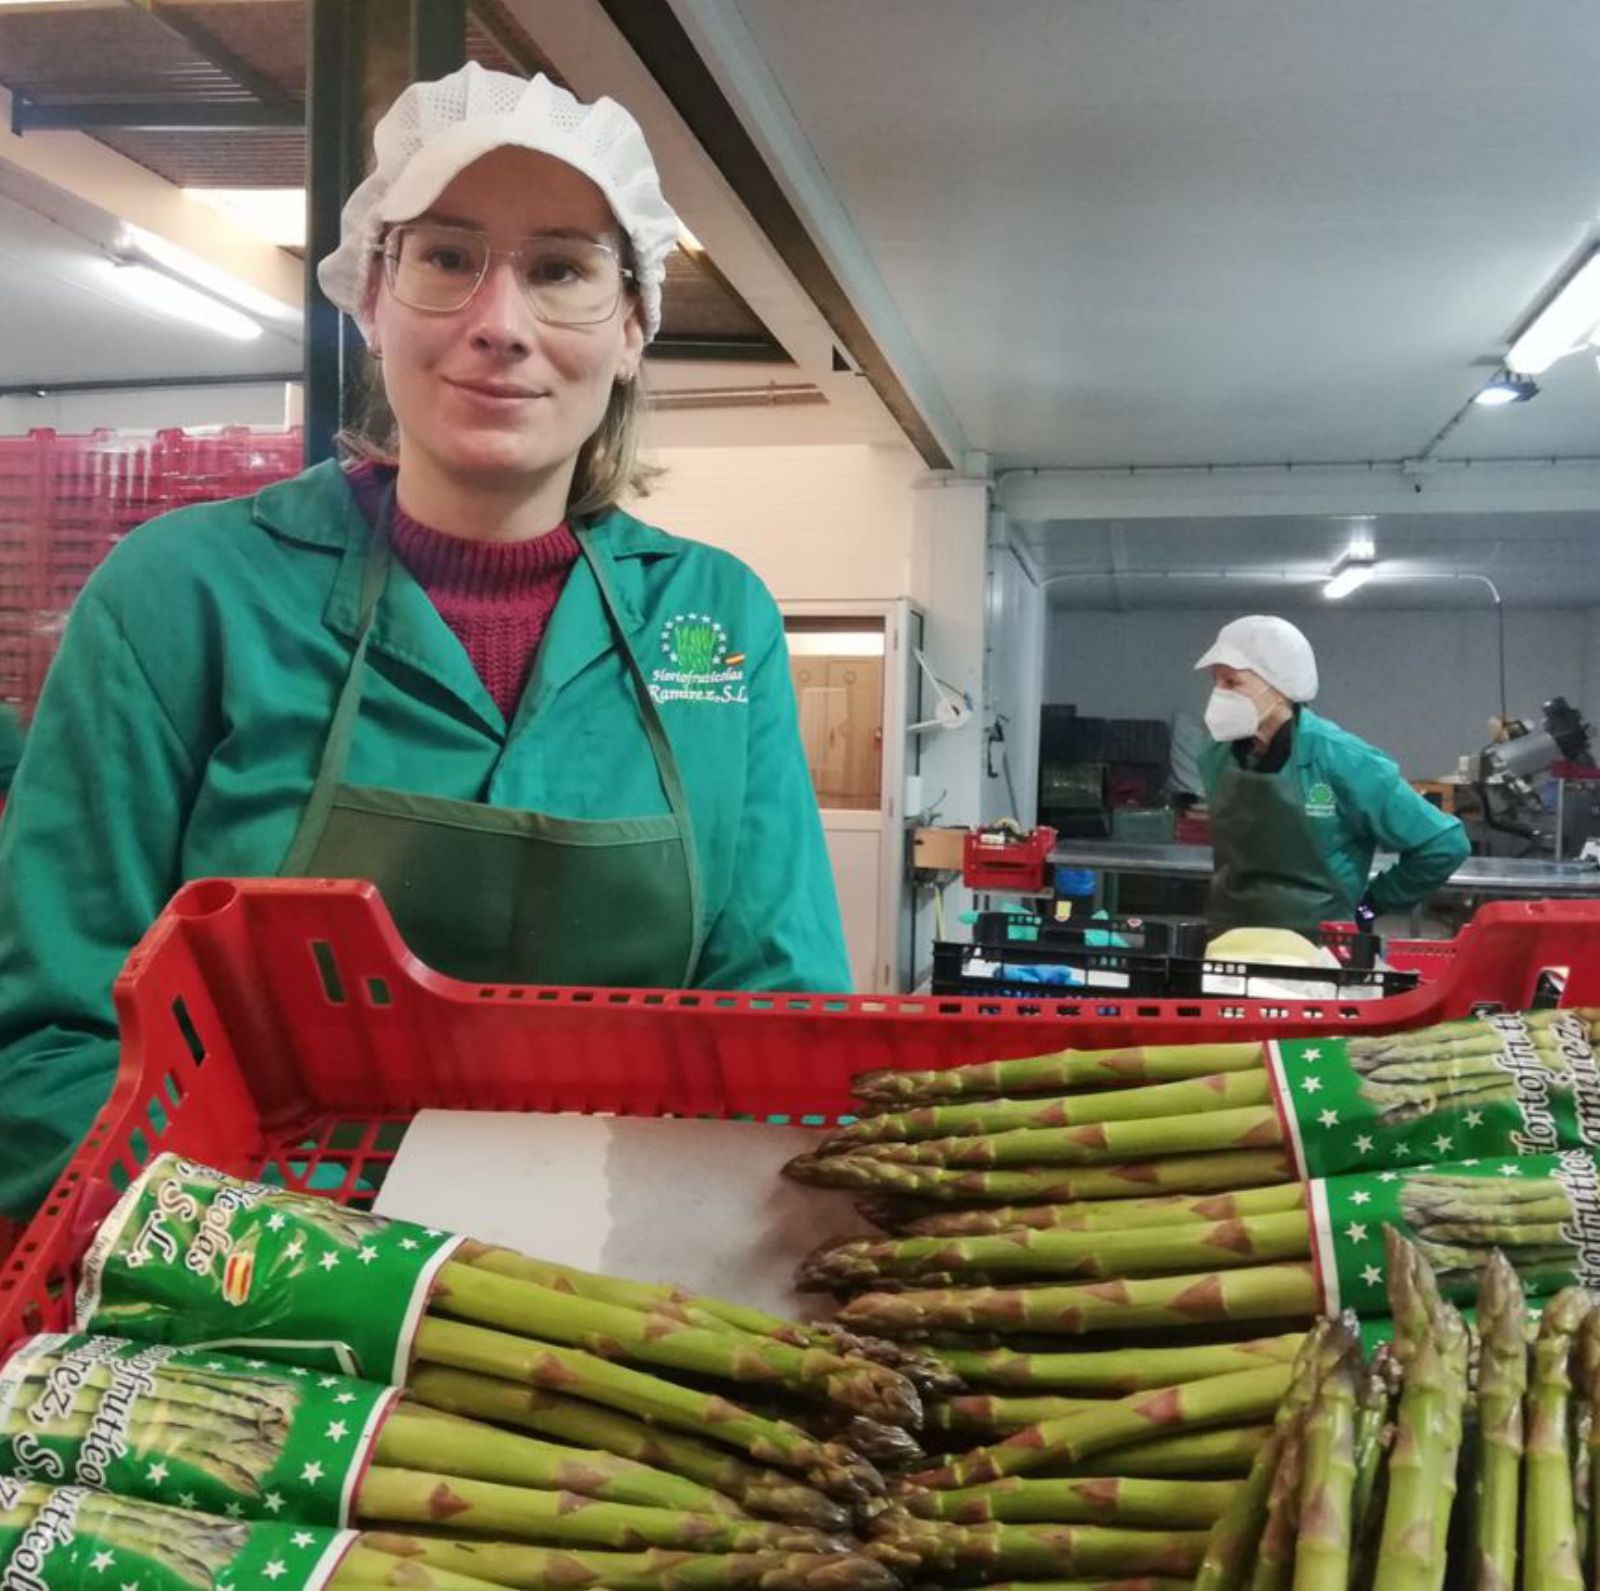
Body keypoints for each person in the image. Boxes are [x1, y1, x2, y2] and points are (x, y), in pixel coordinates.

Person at [0, 64, 850, 1219]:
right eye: (447, 259)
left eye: (560, 270)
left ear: (635, 324)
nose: (500, 326)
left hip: (608, 1294)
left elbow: (778, 1036)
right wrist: (343, 1248)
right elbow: (47, 1050)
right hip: (235, 1305)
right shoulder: (180, 593)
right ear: (371, 300)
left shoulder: (713, 616)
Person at [1194, 614, 1469, 936]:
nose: (1219, 694)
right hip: (1230, 938)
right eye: (1215, 681)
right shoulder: (1214, 755)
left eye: (1232, 682)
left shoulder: (1343, 759)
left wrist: (1372, 904)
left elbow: (1444, 843)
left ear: (1280, 687)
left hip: (1322, 949)